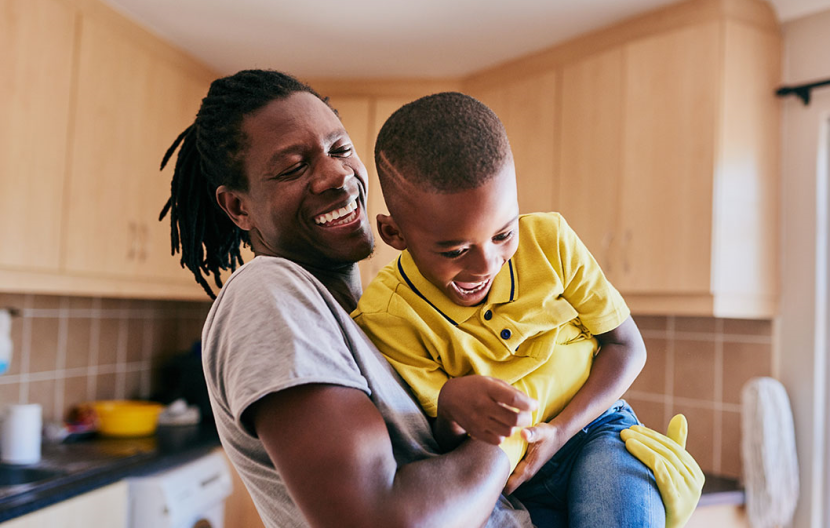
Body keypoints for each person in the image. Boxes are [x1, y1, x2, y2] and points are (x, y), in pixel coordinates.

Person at [159, 69, 703, 528]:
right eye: (293, 167)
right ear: (238, 207)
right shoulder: (269, 295)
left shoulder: (365, 314)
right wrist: (534, 400)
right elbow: (381, 520)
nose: (334, 176)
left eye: (340, 148)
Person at [352, 92, 689, 527]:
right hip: (508, 480)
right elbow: (432, 444)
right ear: (393, 233)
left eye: (503, 234)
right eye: (455, 250)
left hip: (597, 433)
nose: (486, 265)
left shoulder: (550, 241)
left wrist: (559, 431)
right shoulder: (388, 314)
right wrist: (451, 405)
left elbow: (626, 346)